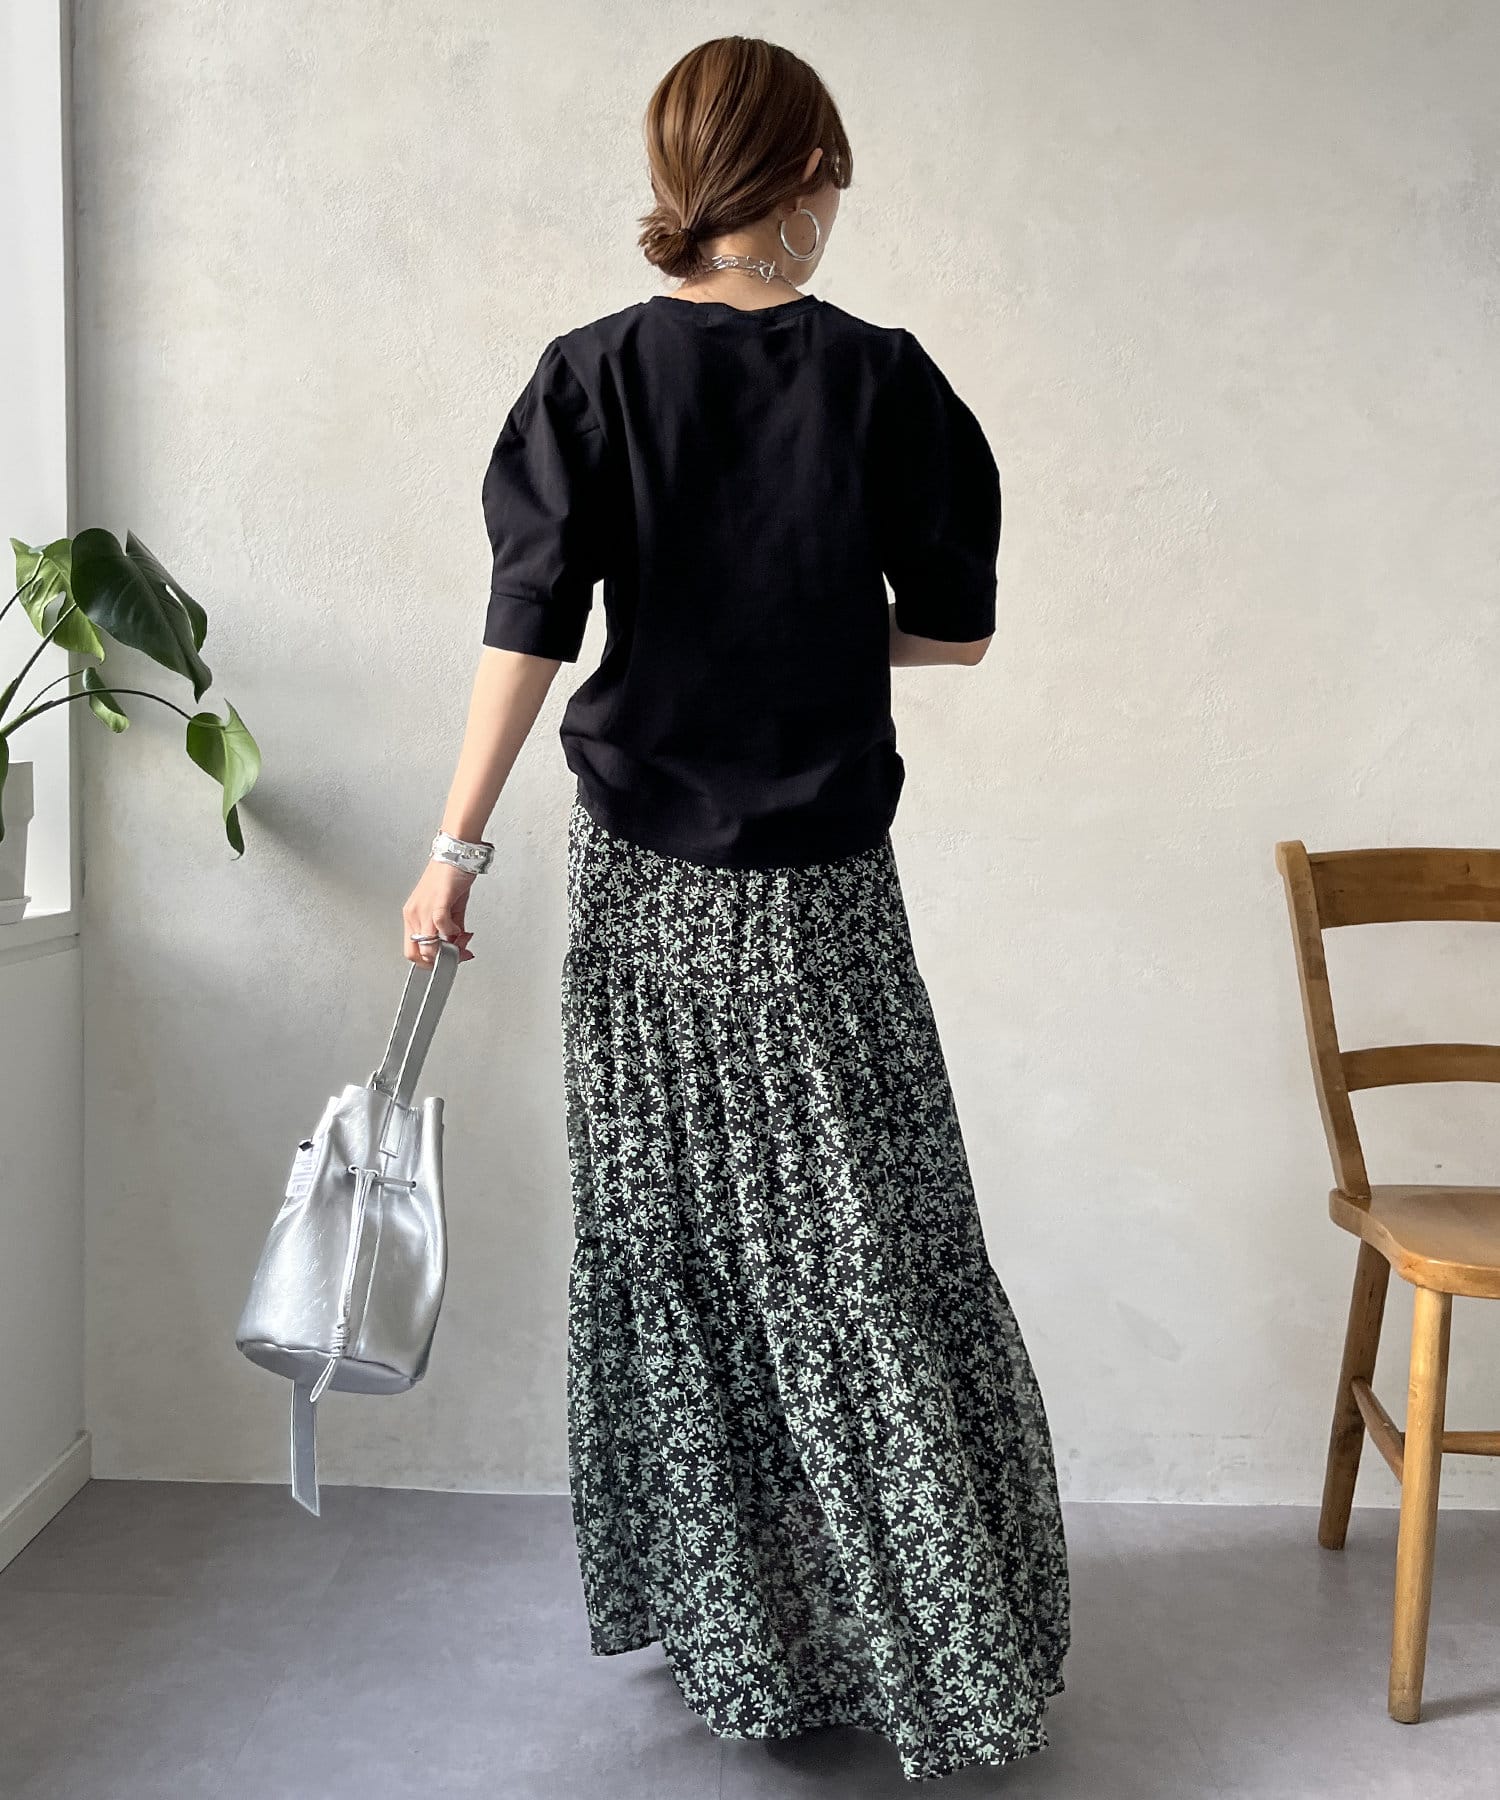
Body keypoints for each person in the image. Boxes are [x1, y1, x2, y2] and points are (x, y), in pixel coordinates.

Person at [402, 32, 1070, 1785]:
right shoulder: (887, 380)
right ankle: (936, 1642)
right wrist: (821, 625)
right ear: (804, 173)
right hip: (826, 889)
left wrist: (453, 847)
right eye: (832, 165)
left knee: (676, 1247)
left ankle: (746, 1639)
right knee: (871, 1250)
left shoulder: (591, 375)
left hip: (641, 884)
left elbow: (530, 630)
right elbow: (960, 632)